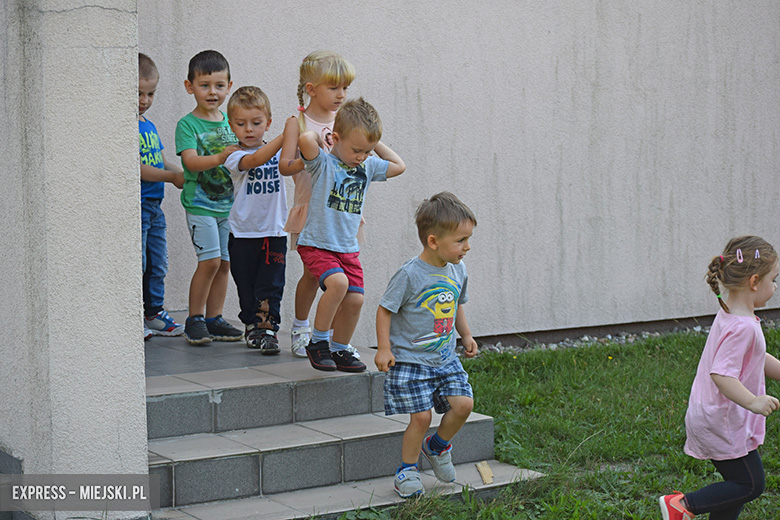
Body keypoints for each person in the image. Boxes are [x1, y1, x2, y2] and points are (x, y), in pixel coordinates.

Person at [659, 235, 780, 520]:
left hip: (715, 415)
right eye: (774, 280)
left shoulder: (731, 314)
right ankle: (683, 505)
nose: (775, 287)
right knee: (749, 484)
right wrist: (753, 401)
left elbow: (754, 357)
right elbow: (722, 374)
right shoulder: (743, 327)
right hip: (723, 420)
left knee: (735, 488)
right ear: (754, 282)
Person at [287, 97, 405, 372]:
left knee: (355, 299)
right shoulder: (323, 164)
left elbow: (399, 165)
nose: (361, 156)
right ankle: (318, 343)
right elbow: (305, 139)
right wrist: (325, 137)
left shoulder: (366, 167)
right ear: (336, 139)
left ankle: (339, 348)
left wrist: (371, 143)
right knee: (337, 285)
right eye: (356, 150)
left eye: (366, 151)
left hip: (347, 248)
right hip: (317, 244)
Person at [375, 192, 479, 498]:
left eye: (468, 239)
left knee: (464, 405)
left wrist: (467, 335)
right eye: (461, 240)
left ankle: (437, 447)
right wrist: (384, 348)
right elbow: (384, 309)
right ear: (433, 242)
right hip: (410, 359)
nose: (467, 247)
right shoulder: (410, 274)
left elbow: (457, 304)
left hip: (445, 357)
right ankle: (406, 471)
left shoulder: (457, 269)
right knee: (421, 417)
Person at [279, 50, 356, 358]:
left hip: (341, 211)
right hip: (311, 210)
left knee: (344, 277)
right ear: (311, 89)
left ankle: (337, 339)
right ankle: (301, 328)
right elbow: (285, 165)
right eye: (334, 87)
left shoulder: (346, 121)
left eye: (345, 88)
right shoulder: (296, 123)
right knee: (313, 274)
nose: (341, 95)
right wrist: (310, 161)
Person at [175, 50, 242, 346]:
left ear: (229, 85)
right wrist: (219, 156)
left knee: (226, 263)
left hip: (229, 206)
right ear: (190, 86)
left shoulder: (231, 121)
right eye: (204, 85)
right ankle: (195, 319)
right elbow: (190, 162)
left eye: (218, 85)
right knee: (210, 262)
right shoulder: (188, 125)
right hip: (200, 204)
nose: (212, 92)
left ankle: (215, 318)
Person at [224, 86, 291, 352]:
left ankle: (267, 328)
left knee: (271, 283)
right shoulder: (233, 154)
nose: (249, 129)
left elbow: (296, 165)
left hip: (274, 232)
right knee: (246, 284)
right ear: (232, 125)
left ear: (268, 123)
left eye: (256, 123)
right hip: (243, 234)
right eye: (241, 124)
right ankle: (251, 325)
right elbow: (254, 160)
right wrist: (285, 136)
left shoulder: (279, 151)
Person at [137, 53, 185, 340]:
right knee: (139, 264)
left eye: (151, 93)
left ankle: (153, 312)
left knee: (158, 263)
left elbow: (160, 160)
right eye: (139, 93)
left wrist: (181, 173)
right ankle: (135, 316)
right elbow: (138, 168)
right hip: (139, 206)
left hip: (155, 206)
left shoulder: (148, 125)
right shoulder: (124, 127)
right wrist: (171, 177)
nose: (145, 100)